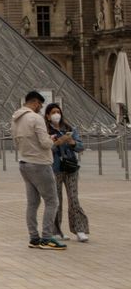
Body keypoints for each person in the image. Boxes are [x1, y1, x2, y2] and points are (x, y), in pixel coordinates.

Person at [13, 91, 66, 249]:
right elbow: (45, 143)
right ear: (35, 102)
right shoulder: (35, 118)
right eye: (40, 105)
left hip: (24, 162)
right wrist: (54, 140)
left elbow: (16, 141)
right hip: (40, 163)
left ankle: (34, 237)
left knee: (32, 203)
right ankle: (47, 238)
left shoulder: (15, 118)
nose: (41, 108)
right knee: (52, 201)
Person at [45, 102, 89, 243]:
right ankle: (56, 231)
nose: (56, 114)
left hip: (71, 168)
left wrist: (72, 142)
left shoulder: (70, 129)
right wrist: (55, 144)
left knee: (74, 199)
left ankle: (80, 229)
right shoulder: (45, 131)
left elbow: (81, 147)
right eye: (53, 112)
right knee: (56, 201)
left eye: (58, 111)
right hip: (55, 168)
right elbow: (43, 149)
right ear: (47, 116)